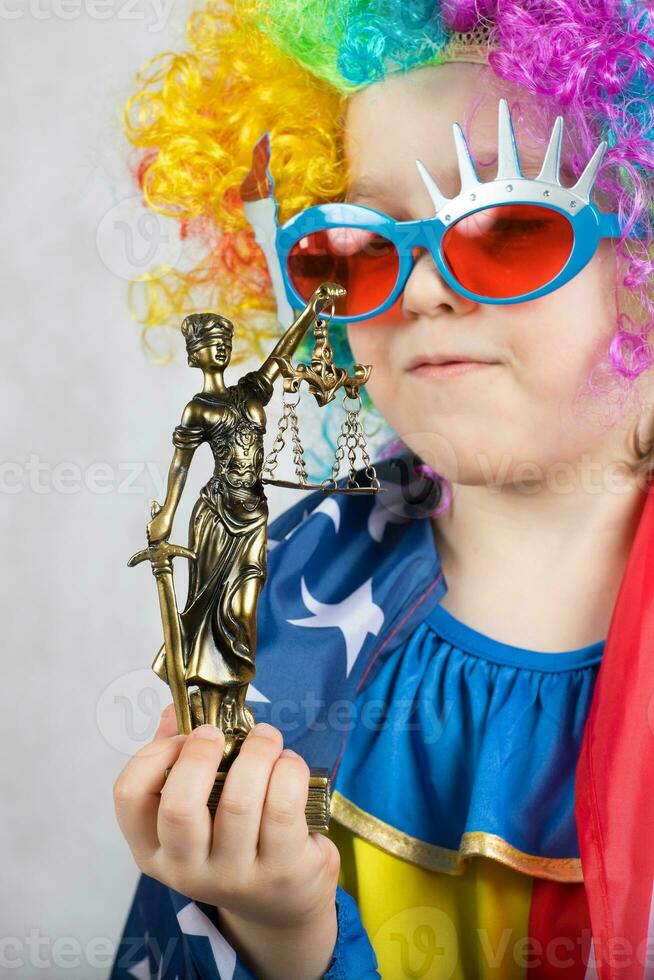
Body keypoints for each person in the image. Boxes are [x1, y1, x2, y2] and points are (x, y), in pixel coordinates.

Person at [111, 1, 654, 977]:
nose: (420, 290)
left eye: (508, 228)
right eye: (357, 248)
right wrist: (278, 930)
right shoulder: (283, 597)